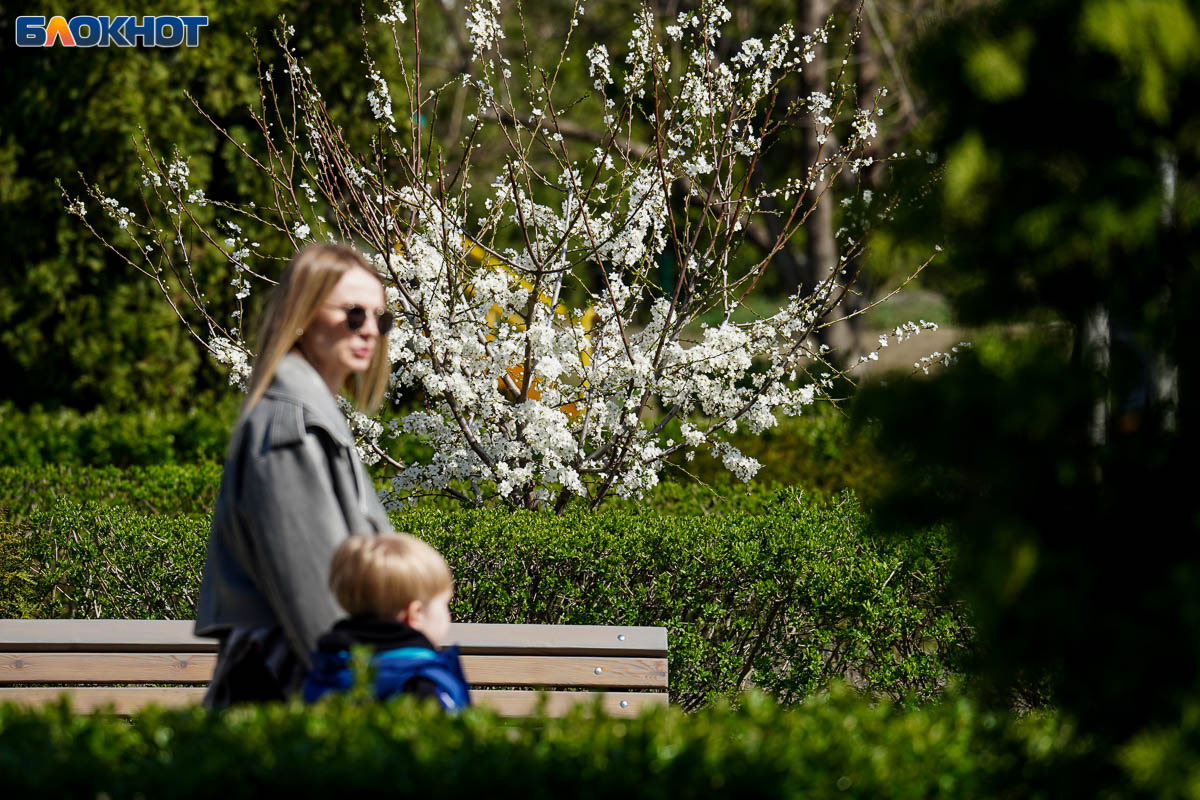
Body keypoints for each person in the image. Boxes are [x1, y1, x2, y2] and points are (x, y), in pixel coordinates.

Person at [195, 243, 395, 707]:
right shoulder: (292, 426)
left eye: (380, 318)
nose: (369, 329)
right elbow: (316, 592)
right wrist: (365, 700)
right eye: (353, 314)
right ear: (303, 314)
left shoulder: (313, 415)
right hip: (289, 696)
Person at [303, 533, 471, 711]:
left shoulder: (326, 671)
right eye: (445, 604)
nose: (448, 614)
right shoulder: (423, 686)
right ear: (416, 614)